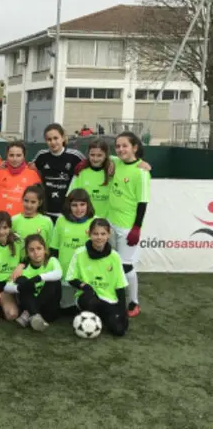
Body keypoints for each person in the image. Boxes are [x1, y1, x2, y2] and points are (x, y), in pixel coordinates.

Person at [107, 131, 150, 318]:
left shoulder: (142, 172)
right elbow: (98, 155)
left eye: (125, 145)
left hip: (127, 227)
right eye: (118, 146)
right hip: (110, 223)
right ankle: (111, 298)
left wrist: (136, 228)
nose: (120, 149)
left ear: (135, 147)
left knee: (126, 266)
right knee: (110, 263)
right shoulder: (116, 162)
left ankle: (133, 302)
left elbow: (143, 202)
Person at [66, 218, 129, 336]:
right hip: (87, 297)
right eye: (95, 234)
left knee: (119, 331)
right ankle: (89, 315)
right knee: (91, 301)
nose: (99, 237)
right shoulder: (79, 253)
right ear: (89, 234)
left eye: (103, 234)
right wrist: (84, 286)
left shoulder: (115, 257)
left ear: (109, 235)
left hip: (108, 299)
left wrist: (122, 313)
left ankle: (104, 317)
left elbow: (120, 286)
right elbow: (70, 278)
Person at [50, 189, 95, 315]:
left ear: (88, 205)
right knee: (63, 310)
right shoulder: (61, 221)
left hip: (85, 276)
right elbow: (54, 248)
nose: (78, 209)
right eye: (74, 205)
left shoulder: (94, 222)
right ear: (68, 206)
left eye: (82, 204)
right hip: (65, 275)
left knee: (88, 305)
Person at [31, 123, 86, 222]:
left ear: (63, 138)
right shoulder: (41, 155)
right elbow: (28, 168)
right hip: (46, 210)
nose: (53, 142)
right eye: (49, 139)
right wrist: (5, 165)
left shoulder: (75, 156)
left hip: (68, 211)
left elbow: (91, 166)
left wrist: (110, 164)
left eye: (56, 138)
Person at [13, 234, 63, 331]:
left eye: (39, 248)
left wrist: (38, 278)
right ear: (27, 253)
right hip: (30, 304)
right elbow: (9, 286)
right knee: (22, 281)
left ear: (45, 249)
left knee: (54, 282)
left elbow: (59, 274)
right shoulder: (24, 268)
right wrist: (21, 286)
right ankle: (35, 315)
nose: (36, 253)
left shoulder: (52, 261)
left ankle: (30, 314)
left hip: (48, 310)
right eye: (31, 250)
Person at [0, 142, 40, 216]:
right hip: (2, 220)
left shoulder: (33, 174)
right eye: (11, 155)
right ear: (7, 156)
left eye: (18, 155)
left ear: (24, 157)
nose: (15, 159)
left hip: (22, 219)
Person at [68, 138, 111, 217]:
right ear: (88, 154)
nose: (95, 159)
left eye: (99, 155)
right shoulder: (81, 172)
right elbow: (71, 196)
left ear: (106, 155)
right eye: (92, 155)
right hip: (86, 219)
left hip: (107, 220)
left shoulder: (111, 171)